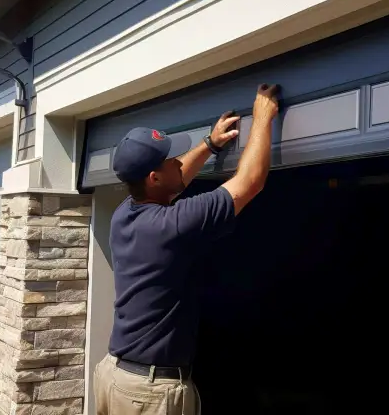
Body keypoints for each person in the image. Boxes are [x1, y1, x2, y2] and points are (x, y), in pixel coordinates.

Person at [94, 83, 281, 415]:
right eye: (168, 161)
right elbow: (250, 181)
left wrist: (209, 144)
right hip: (149, 394)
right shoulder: (171, 225)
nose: (176, 163)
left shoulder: (126, 212)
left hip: (114, 375)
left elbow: (175, 179)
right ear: (153, 177)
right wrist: (263, 116)